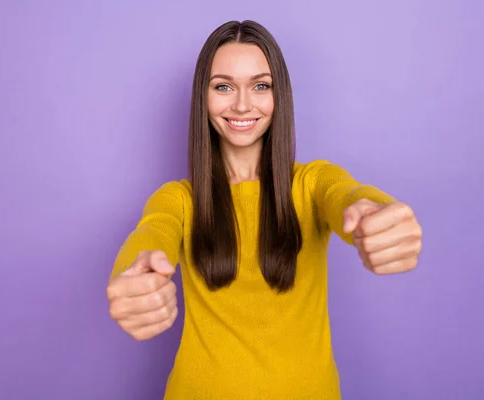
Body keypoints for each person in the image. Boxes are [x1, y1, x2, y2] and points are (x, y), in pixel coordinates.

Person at [106, 20, 422, 400]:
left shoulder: (311, 182)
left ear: (278, 96)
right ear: (202, 99)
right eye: (223, 86)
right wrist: (131, 274)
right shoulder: (179, 199)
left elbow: (347, 195)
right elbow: (151, 233)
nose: (242, 104)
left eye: (260, 86)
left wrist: (378, 215)